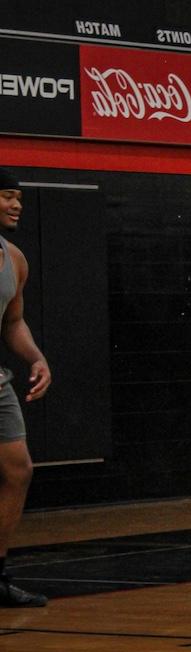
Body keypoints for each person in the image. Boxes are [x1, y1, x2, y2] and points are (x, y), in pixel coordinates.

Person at [0, 168, 52, 607]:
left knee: (18, 470)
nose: (16, 205)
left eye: (18, 197)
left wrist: (35, 357)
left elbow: (12, 322)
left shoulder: (14, 258)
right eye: (7, 196)